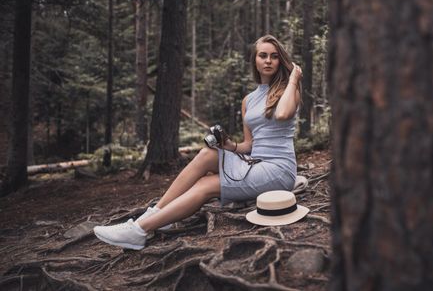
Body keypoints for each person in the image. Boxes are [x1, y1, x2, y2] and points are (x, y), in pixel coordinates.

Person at [93, 34, 303, 250]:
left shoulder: (288, 90)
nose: (268, 61)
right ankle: (155, 215)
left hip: (278, 170)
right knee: (207, 154)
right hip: (255, 163)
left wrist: (294, 78)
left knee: (206, 185)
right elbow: (249, 145)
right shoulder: (248, 100)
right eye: (263, 55)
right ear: (255, 61)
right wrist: (229, 146)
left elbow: (283, 113)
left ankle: (138, 231)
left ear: (280, 61)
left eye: (274, 56)